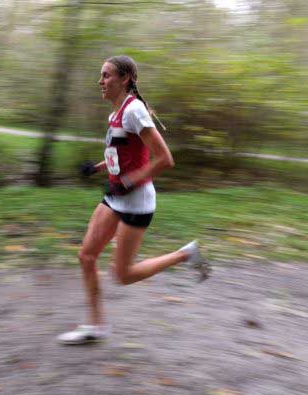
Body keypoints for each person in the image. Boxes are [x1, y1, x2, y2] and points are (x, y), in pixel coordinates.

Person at [57, 55, 210, 345]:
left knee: (122, 275)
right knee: (86, 256)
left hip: (137, 202)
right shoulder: (116, 113)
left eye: (106, 75)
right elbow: (123, 155)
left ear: (124, 78)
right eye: (100, 76)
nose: (100, 81)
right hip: (116, 197)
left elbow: (165, 159)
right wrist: (97, 168)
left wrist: (128, 181)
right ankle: (95, 325)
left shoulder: (134, 111)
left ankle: (186, 254)